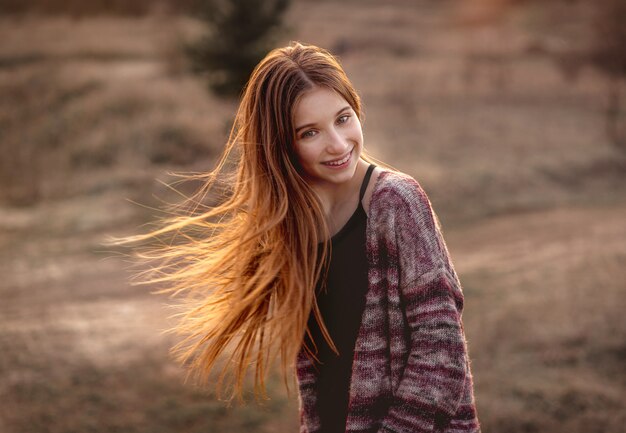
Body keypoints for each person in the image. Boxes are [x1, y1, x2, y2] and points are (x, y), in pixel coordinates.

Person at [122, 41, 481, 433]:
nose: (338, 144)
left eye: (343, 119)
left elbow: (441, 348)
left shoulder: (396, 201)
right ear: (281, 145)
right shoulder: (294, 220)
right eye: (310, 132)